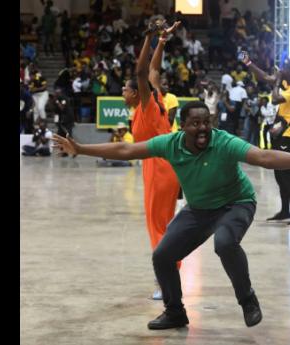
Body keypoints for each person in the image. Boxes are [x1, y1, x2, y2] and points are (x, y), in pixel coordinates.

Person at [52, 100, 290, 330]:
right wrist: (81, 148)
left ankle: (247, 299)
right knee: (162, 255)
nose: (203, 128)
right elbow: (126, 149)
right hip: (199, 209)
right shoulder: (170, 143)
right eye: (195, 123)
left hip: (235, 203)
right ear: (183, 126)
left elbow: (263, 157)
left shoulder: (224, 141)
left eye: (206, 122)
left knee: (225, 243)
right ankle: (175, 312)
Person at [127, 21, 182, 300]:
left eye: (127, 89)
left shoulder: (148, 103)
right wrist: (161, 41)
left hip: (160, 167)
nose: (124, 93)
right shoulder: (155, 98)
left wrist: (148, 37)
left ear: (136, 92)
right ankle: (167, 275)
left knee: (158, 226)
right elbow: (153, 71)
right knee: (163, 224)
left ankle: (165, 281)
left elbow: (142, 71)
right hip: (162, 165)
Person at [241, 51, 290, 226]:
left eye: (286, 68)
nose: (283, 69)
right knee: (279, 173)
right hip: (280, 132)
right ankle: (285, 210)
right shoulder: (288, 82)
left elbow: (275, 99)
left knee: (286, 173)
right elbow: (266, 77)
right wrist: (249, 63)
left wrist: (278, 80)